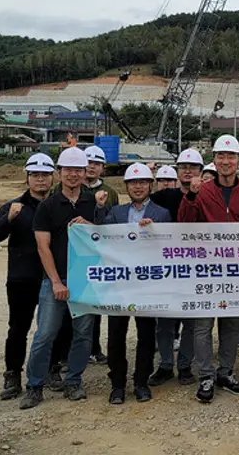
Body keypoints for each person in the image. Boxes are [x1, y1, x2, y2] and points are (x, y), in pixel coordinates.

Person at [179, 134, 239, 403]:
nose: (226, 161)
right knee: (203, 325)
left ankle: (225, 372)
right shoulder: (202, 190)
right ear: (214, 160)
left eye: (231, 156)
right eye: (221, 156)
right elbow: (185, 224)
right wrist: (190, 195)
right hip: (207, 269)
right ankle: (205, 376)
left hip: (236, 270)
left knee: (232, 325)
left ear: (238, 160)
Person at [19, 147, 97, 409]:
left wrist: (92, 226)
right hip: (56, 280)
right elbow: (43, 247)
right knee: (45, 334)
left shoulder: (92, 203)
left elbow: (105, 239)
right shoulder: (47, 206)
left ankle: (73, 380)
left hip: (85, 281)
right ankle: (34, 385)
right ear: (59, 173)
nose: (73, 175)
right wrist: (55, 282)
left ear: (85, 173)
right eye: (68, 170)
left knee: (83, 334)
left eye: (78, 170)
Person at [96, 163, 171, 404]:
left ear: (150, 185)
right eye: (133, 183)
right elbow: (99, 236)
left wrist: (155, 232)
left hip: (147, 285)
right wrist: (98, 208)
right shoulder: (116, 213)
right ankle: (117, 384)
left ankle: (141, 382)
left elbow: (169, 247)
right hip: (120, 285)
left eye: (142, 182)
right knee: (116, 335)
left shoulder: (161, 214)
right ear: (126, 186)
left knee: (146, 336)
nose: (138, 187)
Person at [0, 153, 57, 400]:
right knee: (18, 327)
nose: (40, 180)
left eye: (45, 175)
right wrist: (9, 219)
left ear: (53, 177)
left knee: (52, 328)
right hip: (22, 278)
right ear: (27, 178)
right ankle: (13, 373)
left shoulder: (57, 205)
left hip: (51, 277)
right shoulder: (14, 206)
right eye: (35, 175)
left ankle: (51, 368)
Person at [148, 148, 202, 387]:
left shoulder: (207, 195)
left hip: (196, 268)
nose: (187, 171)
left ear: (201, 171)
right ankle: (166, 365)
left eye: (193, 168)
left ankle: (185, 366)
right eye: (183, 167)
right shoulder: (162, 197)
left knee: (191, 321)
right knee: (166, 321)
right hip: (167, 268)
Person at [83, 145, 119, 365]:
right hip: (75, 254)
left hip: (99, 255)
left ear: (102, 168)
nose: (91, 167)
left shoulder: (111, 193)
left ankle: (94, 347)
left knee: (95, 304)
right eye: (87, 162)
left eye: (96, 163)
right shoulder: (70, 188)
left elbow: (115, 224)